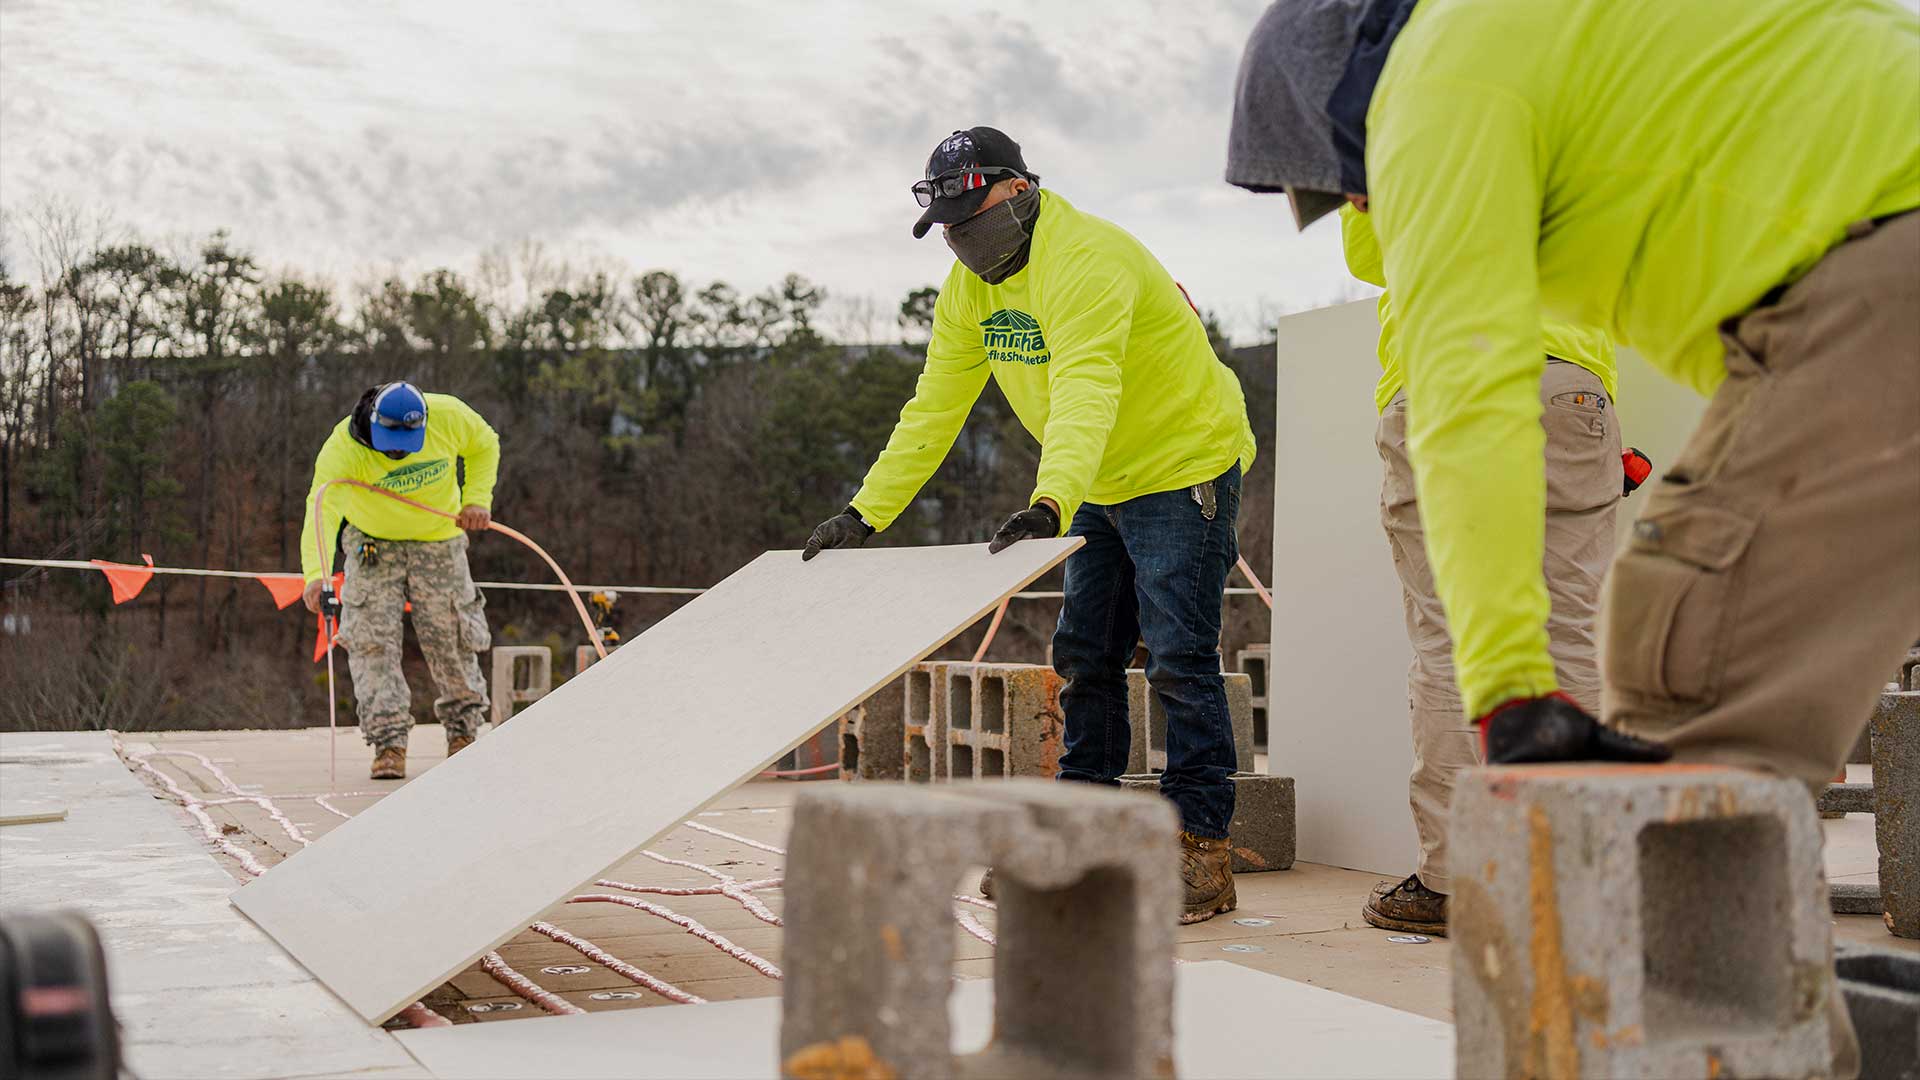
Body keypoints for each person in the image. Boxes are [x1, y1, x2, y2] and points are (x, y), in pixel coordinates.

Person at [1229, 0, 1917, 1069]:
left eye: (1347, 177)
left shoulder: (1432, 81)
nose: (1364, 201)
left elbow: (1469, 391)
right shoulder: (1547, 36)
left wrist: (1507, 693)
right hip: (1867, 253)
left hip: (1879, 271)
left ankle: (1703, 1049)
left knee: (1685, 664)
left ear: (1343, 98)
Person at [803, 126, 1259, 923]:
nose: (962, 241)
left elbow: (1087, 386)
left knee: (1180, 659)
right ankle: (1078, 836)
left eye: (972, 219)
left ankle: (1202, 851)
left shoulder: (1086, 259)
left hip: (1183, 466)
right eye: (948, 227)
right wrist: (864, 513)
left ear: (1019, 192)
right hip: (1093, 479)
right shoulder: (970, 290)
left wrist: (1051, 499)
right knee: (1085, 656)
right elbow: (935, 406)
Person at [1339, 204, 1647, 936]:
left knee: (1448, 640)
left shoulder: (1397, 116)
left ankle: (1453, 881)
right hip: (1568, 384)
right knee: (1569, 633)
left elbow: (1371, 257)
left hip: (1448, 375)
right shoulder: (1580, 117)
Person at [300, 381, 502, 780]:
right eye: (390, 441)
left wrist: (477, 498)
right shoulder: (343, 449)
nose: (397, 451)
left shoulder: (449, 415)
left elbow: (484, 444)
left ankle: (463, 734)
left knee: (452, 633)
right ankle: (388, 742)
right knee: (370, 640)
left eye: (408, 442)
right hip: (373, 542)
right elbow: (321, 509)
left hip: (439, 540)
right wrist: (316, 574)